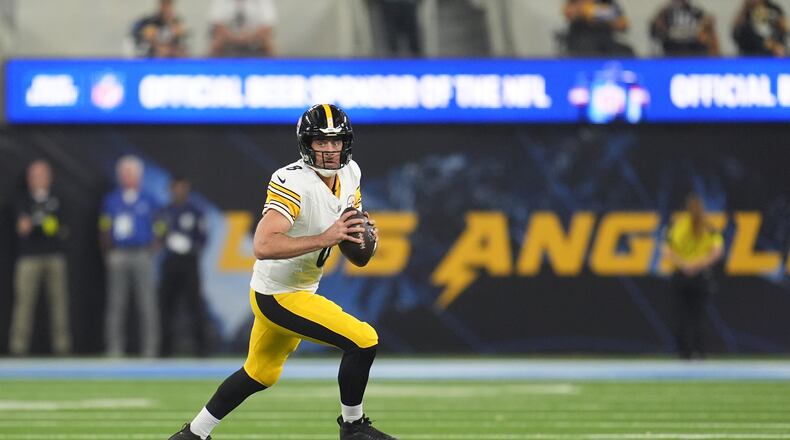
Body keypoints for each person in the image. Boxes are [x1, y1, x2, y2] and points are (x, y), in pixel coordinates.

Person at [169, 104, 397, 440]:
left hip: (296, 289)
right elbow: (262, 245)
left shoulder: (351, 174)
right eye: (322, 142)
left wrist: (364, 237)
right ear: (307, 144)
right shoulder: (292, 180)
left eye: (337, 142)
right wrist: (325, 237)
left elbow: (352, 234)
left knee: (260, 373)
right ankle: (353, 427)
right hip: (279, 294)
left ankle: (192, 435)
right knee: (363, 341)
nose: (331, 150)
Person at [100, 155, 161, 358]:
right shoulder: (112, 200)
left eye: (131, 174)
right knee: (116, 303)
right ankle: (114, 349)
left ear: (139, 176)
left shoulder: (149, 199)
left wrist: (153, 247)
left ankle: (150, 349)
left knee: (147, 303)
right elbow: (104, 227)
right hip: (119, 253)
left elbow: (160, 226)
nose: (128, 178)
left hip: (142, 253)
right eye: (124, 174)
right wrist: (108, 251)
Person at [8, 160, 71, 356]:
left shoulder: (58, 198)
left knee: (59, 303)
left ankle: (62, 347)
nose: (38, 180)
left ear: (49, 178)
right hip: (29, 257)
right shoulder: (22, 199)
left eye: (42, 176)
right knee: (24, 302)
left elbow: (61, 229)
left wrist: (41, 225)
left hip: (54, 256)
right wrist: (41, 225)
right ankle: (18, 347)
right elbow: (22, 228)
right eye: (34, 176)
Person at [662, 194, 724, 360]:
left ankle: (685, 353)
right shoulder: (709, 227)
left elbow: (667, 251)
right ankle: (701, 352)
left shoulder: (678, 225)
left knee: (682, 315)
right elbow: (717, 252)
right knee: (699, 315)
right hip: (701, 277)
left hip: (681, 276)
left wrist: (685, 265)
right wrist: (698, 264)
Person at [157, 176, 209, 357]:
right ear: (171, 189)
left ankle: (201, 348)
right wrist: (165, 242)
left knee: (194, 304)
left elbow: (203, 237)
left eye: (183, 188)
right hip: (170, 262)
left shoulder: (195, 211)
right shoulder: (165, 211)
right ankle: (164, 349)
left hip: (189, 262)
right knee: (166, 305)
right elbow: (158, 233)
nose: (179, 191)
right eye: (176, 188)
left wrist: (191, 247)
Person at [562, 0, 634, 57]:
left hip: (606, 42)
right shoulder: (577, 2)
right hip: (581, 41)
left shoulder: (607, 2)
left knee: (626, 51)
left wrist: (599, 14)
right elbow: (568, 13)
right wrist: (582, 9)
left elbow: (623, 24)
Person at [650, 0, 720, 56]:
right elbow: (656, 31)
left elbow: (707, 28)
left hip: (694, 46)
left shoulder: (696, 11)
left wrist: (707, 25)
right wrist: (659, 27)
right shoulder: (665, 12)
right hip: (673, 46)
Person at [209, 0, 277, 57]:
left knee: (267, 40)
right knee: (217, 39)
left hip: (255, 41)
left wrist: (246, 37)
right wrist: (235, 38)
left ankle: (274, 68)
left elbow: (266, 27)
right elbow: (218, 26)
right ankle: (211, 68)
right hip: (228, 40)